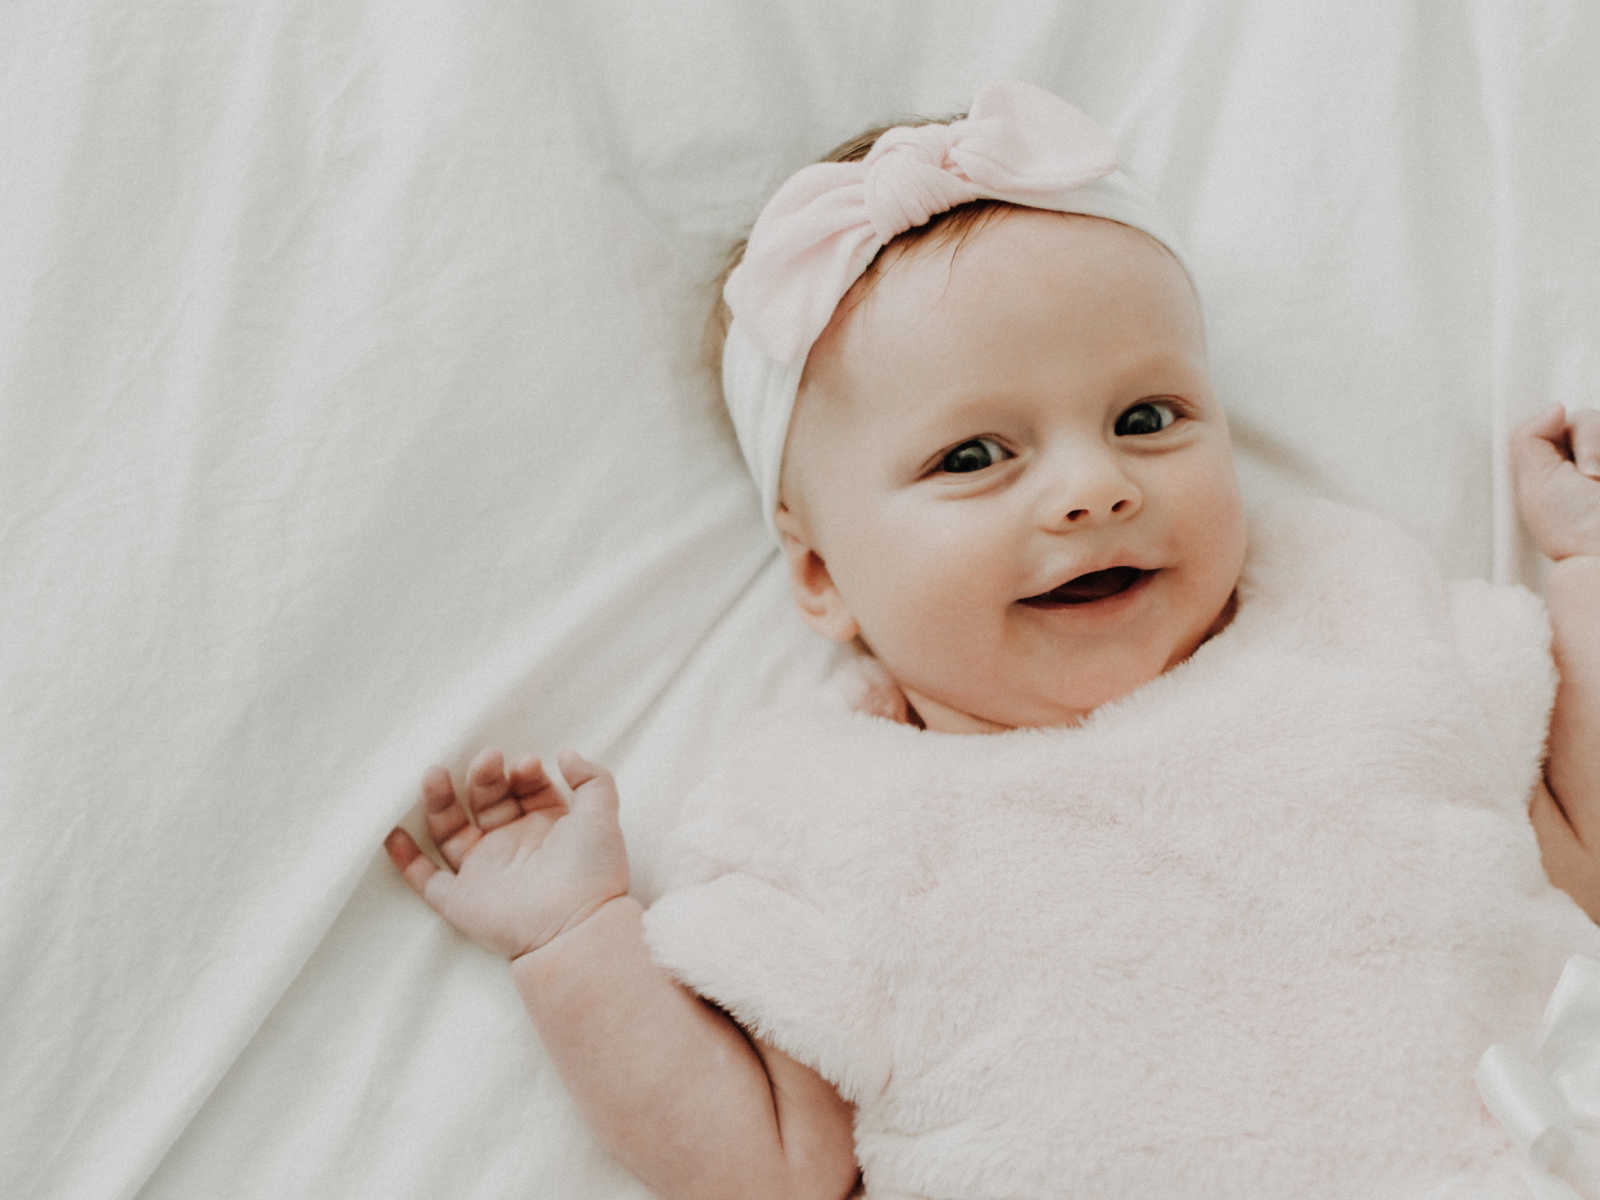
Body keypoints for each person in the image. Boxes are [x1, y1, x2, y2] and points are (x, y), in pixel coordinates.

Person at [383, 82, 1600, 1199]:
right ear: (820, 575)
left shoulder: (1350, 621)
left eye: (1145, 417)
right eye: (973, 456)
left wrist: (1586, 566)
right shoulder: (829, 816)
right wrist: (574, 942)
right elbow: (771, 1172)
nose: (1091, 488)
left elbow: (1584, 855)